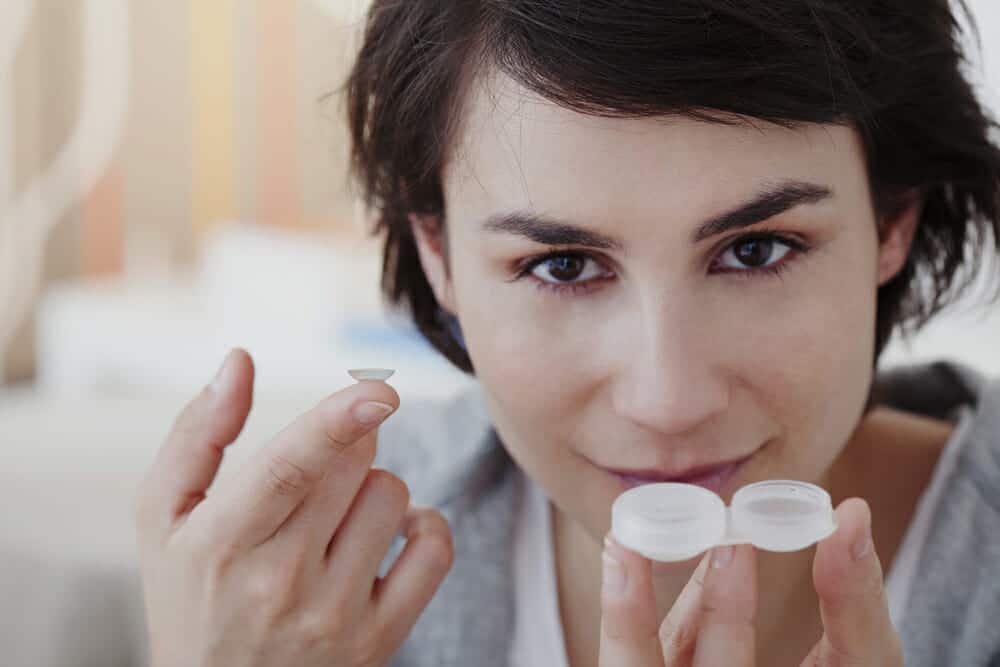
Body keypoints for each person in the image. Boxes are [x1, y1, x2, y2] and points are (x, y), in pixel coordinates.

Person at [134, 1, 1000, 665]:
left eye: (756, 249)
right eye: (563, 265)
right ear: (436, 251)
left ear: (894, 219)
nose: (668, 401)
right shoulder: (304, 598)